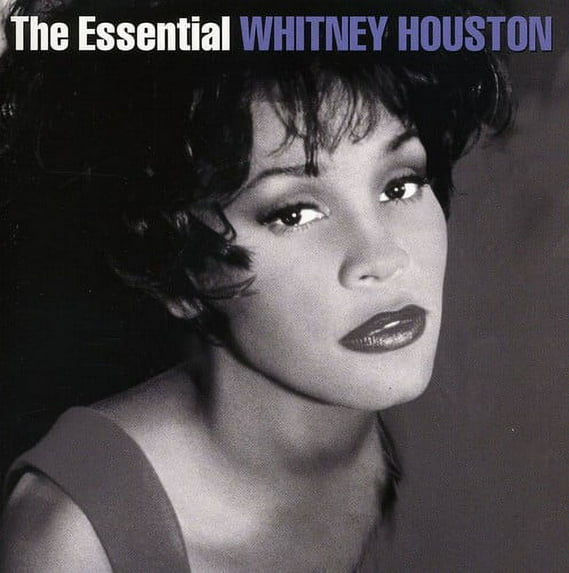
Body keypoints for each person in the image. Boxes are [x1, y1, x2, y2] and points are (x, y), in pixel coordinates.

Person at [0, 0, 512, 570]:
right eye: (295, 214)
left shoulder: (501, 427)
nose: (382, 257)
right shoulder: (77, 542)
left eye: (400, 185)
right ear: (178, 271)